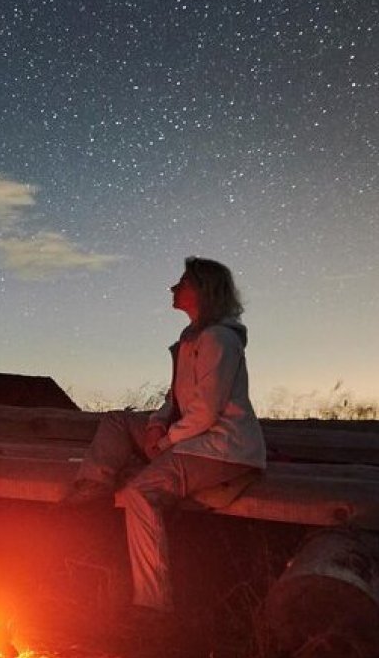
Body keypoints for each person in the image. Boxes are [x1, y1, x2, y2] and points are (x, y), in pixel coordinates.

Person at [61, 256, 266, 617]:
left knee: (140, 494)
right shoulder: (191, 339)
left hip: (220, 449)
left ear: (202, 290)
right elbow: (175, 398)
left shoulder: (219, 339)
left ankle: (153, 604)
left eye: (182, 283)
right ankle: (92, 488)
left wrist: (167, 442)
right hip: (190, 438)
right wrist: (157, 423)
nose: (174, 288)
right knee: (117, 421)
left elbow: (207, 411)